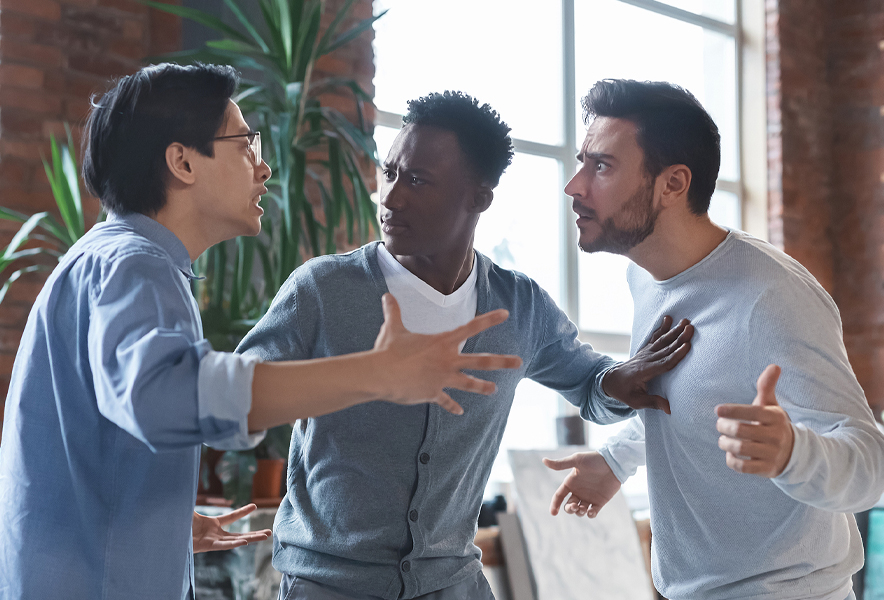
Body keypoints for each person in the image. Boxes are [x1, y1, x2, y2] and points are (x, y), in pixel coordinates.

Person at [0, 64, 525, 600]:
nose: (262, 168)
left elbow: (102, 428)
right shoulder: (136, 265)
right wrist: (375, 373)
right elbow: (164, 396)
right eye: (244, 144)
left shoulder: (109, 258)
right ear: (182, 161)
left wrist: (159, 523)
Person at [236, 90, 695, 600]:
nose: (391, 197)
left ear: (479, 196)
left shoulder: (518, 305)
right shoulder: (321, 290)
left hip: (452, 584)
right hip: (328, 586)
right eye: (389, 173)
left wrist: (621, 381)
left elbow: (591, 387)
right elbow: (235, 405)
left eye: (417, 180)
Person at [544, 79, 884, 600]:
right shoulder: (645, 279)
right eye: (582, 162)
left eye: (602, 167)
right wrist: (617, 460)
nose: (575, 186)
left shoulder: (773, 295)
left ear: (673, 184)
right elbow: (691, 396)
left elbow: (871, 464)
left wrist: (794, 453)